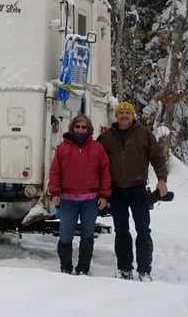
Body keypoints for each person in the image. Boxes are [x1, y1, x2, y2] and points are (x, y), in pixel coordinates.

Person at [97, 101, 168, 281]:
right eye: (121, 113)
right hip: (117, 191)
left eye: (128, 113)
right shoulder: (106, 138)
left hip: (138, 190)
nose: (124, 116)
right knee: (122, 231)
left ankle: (144, 270)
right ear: (116, 116)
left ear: (133, 115)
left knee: (143, 230)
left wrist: (162, 180)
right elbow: (97, 164)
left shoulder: (144, 134)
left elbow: (158, 158)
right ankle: (124, 268)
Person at [48, 114, 111, 275]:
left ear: (89, 129)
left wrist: (104, 195)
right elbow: (55, 172)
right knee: (66, 235)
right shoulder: (62, 148)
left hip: (90, 201)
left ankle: (83, 267)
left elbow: (105, 172)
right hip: (68, 200)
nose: (81, 130)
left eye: (84, 127)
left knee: (87, 234)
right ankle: (66, 267)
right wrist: (54, 192)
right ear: (72, 128)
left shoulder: (97, 148)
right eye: (78, 127)